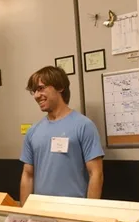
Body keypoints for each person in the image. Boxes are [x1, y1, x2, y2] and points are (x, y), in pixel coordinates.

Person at [19, 66, 104, 205]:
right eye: (34, 91)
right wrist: (24, 212)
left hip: (73, 212)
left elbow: (96, 174)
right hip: (41, 212)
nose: (36, 95)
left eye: (41, 88)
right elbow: (28, 175)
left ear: (59, 87)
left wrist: (89, 214)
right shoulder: (33, 131)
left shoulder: (84, 126)